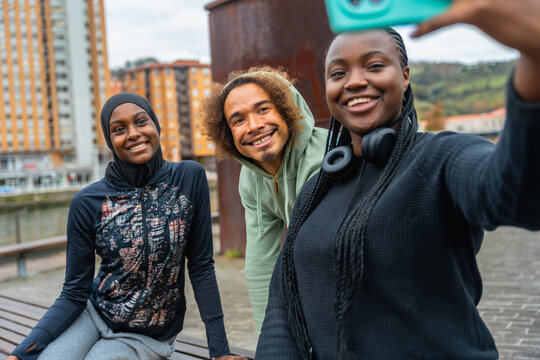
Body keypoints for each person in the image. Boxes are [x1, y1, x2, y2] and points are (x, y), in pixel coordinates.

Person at [256, 0, 540, 358]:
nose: (355, 81)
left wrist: (534, 57)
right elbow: (283, 302)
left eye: (374, 66)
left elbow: (517, 194)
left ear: (404, 76)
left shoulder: (438, 158)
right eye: (338, 73)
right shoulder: (317, 188)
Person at [8, 93, 246, 360]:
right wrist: (21, 354)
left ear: (156, 125)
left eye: (141, 122)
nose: (133, 134)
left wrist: (220, 351)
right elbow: (74, 292)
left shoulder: (189, 177)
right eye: (119, 129)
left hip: (147, 335)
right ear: (110, 141)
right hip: (92, 314)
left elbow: (201, 265)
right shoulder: (87, 202)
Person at [202, 66, 328, 331]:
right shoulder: (250, 180)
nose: (255, 126)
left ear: (286, 110)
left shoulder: (324, 159)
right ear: (227, 134)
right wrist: (269, 342)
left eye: (263, 109)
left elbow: (319, 259)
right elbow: (261, 267)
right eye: (238, 120)